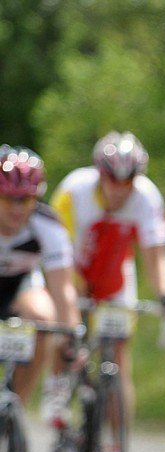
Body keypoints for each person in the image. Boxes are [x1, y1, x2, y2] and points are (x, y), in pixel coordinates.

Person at [43, 131, 165, 452]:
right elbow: (55, 252)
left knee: (119, 365)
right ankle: (58, 389)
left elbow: (156, 256)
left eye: (128, 181)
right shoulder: (73, 191)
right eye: (112, 179)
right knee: (67, 332)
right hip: (72, 273)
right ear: (99, 174)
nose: (120, 189)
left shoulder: (146, 197)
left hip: (115, 281)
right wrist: (73, 297)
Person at [0, 145, 82, 417]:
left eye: (25, 200)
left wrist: (71, 336)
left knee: (43, 318)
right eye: (8, 198)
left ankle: (15, 410)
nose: (16, 208)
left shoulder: (48, 225)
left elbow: (63, 289)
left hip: (20, 285)